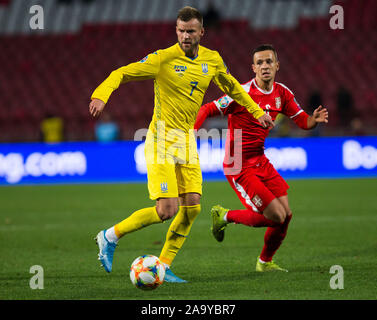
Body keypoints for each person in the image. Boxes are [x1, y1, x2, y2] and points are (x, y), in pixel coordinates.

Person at [89, 7, 274, 282]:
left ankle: (163, 265)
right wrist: (101, 95)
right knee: (167, 210)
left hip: (186, 139)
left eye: (190, 31)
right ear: (176, 31)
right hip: (161, 138)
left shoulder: (212, 60)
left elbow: (233, 88)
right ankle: (109, 236)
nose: (185, 36)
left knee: (193, 206)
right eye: (181, 31)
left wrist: (257, 111)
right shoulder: (163, 59)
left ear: (201, 32)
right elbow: (123, 73)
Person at [194, 44, 328, 272]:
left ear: (277, 65)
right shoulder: (241, 92)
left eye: (269, 62)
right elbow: (207, 109)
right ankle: (224, 216)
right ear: (253, 68)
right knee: (275, 215)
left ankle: (264, 263)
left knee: (286, 215)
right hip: (238, 165)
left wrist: (313, 120)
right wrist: (191, 132)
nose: (265, 66)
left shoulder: (282, 93)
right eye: (260, 63)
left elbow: (302, 121)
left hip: (260, 160)